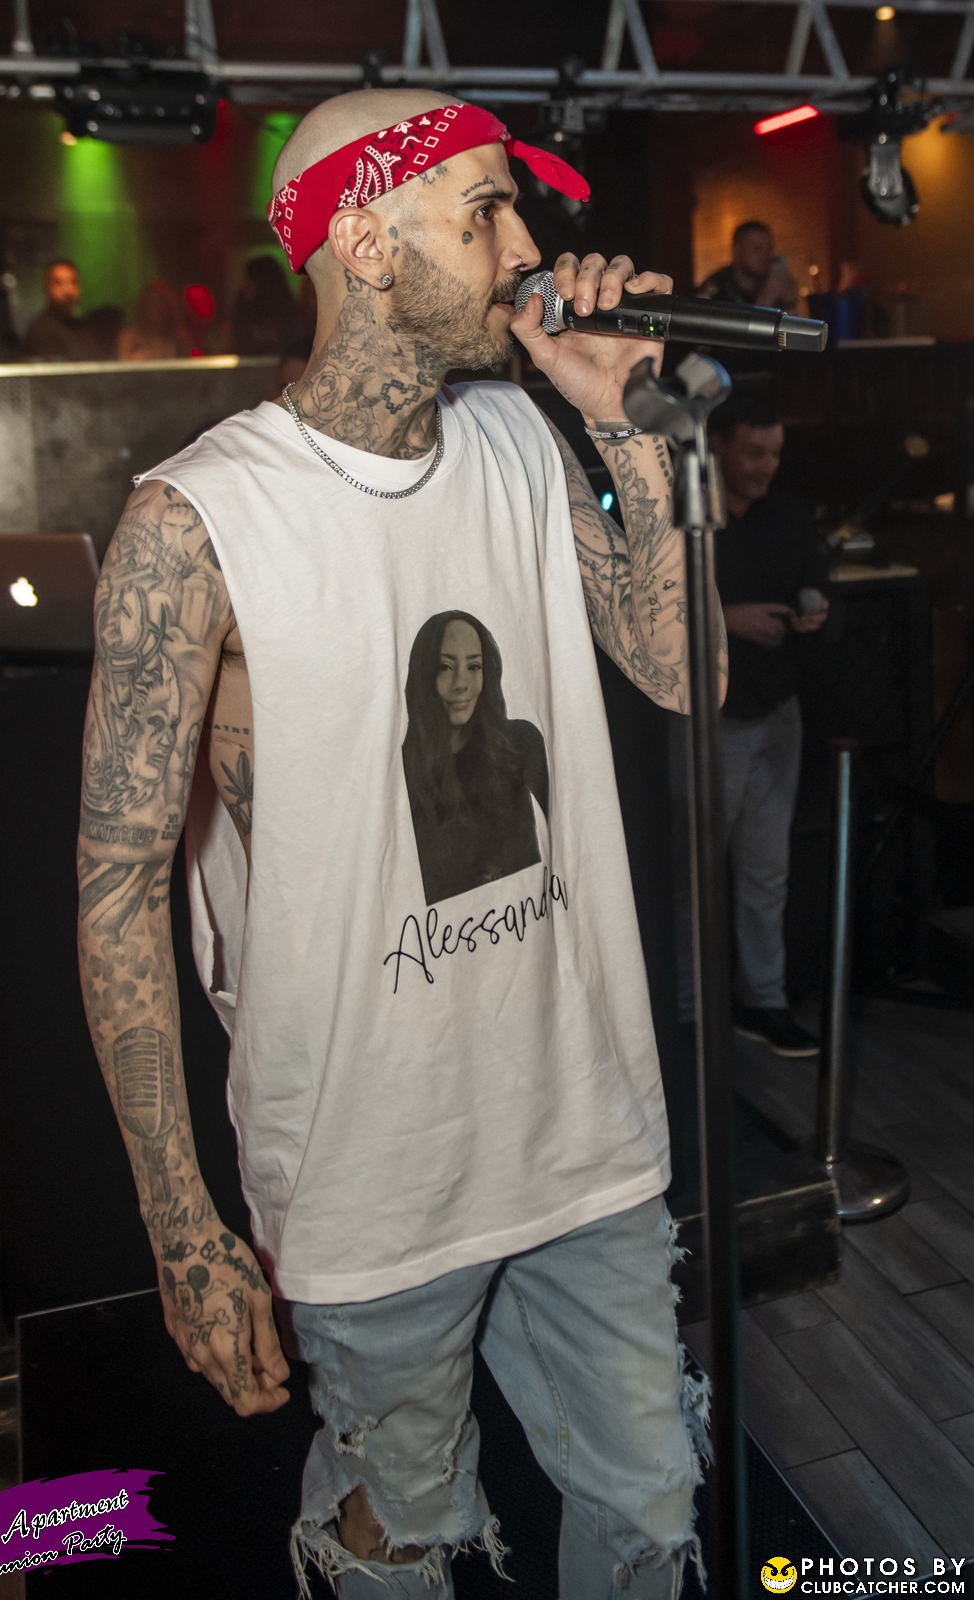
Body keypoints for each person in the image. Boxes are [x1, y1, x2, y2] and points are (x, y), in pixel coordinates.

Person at [78, 87, 725, 1600]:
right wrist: (182, 1228)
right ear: (365, 245)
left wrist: (618, 417)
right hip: (372, 1172)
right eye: (484, 210)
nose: (526, 247)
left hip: (579, 1126)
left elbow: (682, 672)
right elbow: (115, 897)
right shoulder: (197, 523)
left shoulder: (518, 439)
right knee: (407, 1524)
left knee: (649, 1503)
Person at [680, 391, 829, 1058]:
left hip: (776, 710)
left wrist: (818, 610)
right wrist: (726, 619)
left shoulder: (789, 516)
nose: (766, 465)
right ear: (717, 446)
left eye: (775, 453)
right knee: (692, 875)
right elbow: (645, 612)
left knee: (767, 872)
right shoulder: (686, 515)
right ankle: (686, 1009)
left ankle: (761, 1000)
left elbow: (818, 585)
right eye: (754, 453)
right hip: (708, 718)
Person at [402, 610, 549, 905]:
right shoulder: (402, 769)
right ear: (424, 674)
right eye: (445, 667)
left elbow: (569, 836)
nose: (461, 683)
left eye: (474, 666)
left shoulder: (521, 743)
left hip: (527, 918)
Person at [696, 220, 799, 312]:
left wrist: (789, 303)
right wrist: (768, 296)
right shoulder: (715, 289)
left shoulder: (769, 281)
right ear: (736, 251)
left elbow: (787, 326)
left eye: (769, 249)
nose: (766, 256)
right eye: (757, 249)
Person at [231, 253, 313, 357]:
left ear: (262, 283)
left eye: (248, 280)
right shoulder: (244, 315)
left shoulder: (291, 318)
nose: (244, 286)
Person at [25, 259, 92, 360]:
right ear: (47, 288)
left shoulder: (83, 327)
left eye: (73, 282)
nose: (68, 290)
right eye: (58, 283)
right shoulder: (41, 329)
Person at [117, 279, 192, 362]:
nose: (156, 309)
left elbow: (188, 367)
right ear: (143, 305)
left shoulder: (178, 340)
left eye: (160, 302)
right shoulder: (129, 337)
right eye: (151, 302)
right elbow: (124, 366)